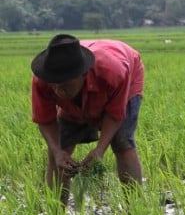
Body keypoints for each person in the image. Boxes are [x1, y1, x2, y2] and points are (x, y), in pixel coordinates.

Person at [31, 33, 144, 205]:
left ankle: (135, 211)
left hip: (127, 72)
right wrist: (57, 152)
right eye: (54, 84)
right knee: (58, 153)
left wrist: (100, 149)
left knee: (123, 144)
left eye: (64, 84)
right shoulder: (44, 79)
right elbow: (45, 120)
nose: (57, 91)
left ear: (83, 73)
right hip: (85, 86)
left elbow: (114, 115)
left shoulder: (113, 72)